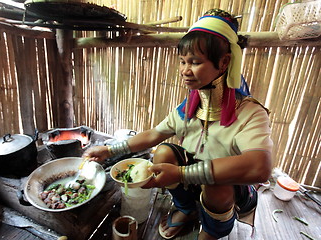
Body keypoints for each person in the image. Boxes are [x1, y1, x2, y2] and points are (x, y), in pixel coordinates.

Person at [84, 8, 273, 240]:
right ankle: (187, 209)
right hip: (191, 175)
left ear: (224, 62)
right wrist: (110, 150)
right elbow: (155, 134)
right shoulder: (190, 106)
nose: (185, 70)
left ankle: (213, 232)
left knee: (216, 184)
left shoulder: (249, 112)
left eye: (194, 62)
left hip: (231, 190)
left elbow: (259, 167)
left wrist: (181, 173)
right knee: (163, 153)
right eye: (182, 61)